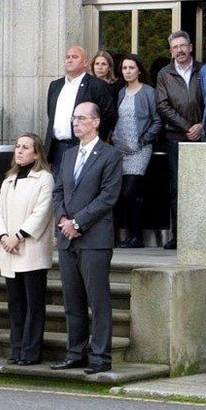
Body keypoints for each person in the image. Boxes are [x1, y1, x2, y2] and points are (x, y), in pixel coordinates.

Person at [51, 102, 122, 375]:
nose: (75, 123)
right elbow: (58, 192)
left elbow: (108, 196)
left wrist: (78, 222)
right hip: (67, 238)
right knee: (73, 299)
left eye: (81, 118)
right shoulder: (68, 155)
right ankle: (75, 352)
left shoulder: (110, 155)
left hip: (94, 238)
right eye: (73, 118)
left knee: (98, 300)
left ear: (95, 122)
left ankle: (101, 355)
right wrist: (63, 220)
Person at [0, 133, 55, 366]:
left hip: (31, 249)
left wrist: (19, 236)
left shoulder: (44, 179)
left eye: (25, 147)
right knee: (16, 303)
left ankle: (31, 351)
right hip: (10, 249)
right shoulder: (9, 179)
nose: (19, 151)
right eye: (17, 146)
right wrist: (4, 237)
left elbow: (42, 212)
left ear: (36, 153)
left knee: (33, 303)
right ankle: (16, 347)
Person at [155, 30, 204, 250]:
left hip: (204, 137)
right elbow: (162, 105)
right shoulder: (164, 74)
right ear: (170, 51)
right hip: (176, 137)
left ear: (191, 47)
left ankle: (203, 235)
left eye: (183, 46)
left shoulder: (204, 70)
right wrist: (187, 127)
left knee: (203, 187)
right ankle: (178, 235)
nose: (180, 50)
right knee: (177, 188)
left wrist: (202, 125)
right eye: (175, 47)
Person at [112, 54, 162, 248]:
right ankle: (130, 235)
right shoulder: (121, 93)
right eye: (124, 68)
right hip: (121, 150)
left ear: (139, 70)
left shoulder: (149, 92)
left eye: (131, 68)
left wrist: (145, 139)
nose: (127, 71)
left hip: (140, 149)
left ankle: (137, 236)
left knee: (130, 192)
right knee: (124, 196)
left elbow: (157, 120)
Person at [46, 46, 116, 165]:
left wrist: (95, 140)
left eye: (75, 57)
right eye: (67, 57)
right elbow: (50, 113)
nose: (70, 60)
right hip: (57, 148)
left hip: (84, 147)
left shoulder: (96, 85)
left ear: (85, 63)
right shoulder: (55, 85)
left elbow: (109, 115)